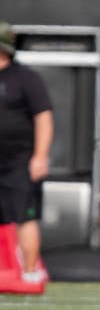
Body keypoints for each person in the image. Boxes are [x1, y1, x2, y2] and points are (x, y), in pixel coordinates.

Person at [0, 20, 53, 284]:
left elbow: (44, 118)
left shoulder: (26, 79)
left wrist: (40, 156)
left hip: (19, 162)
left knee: (24, 216)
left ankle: (31, 271)